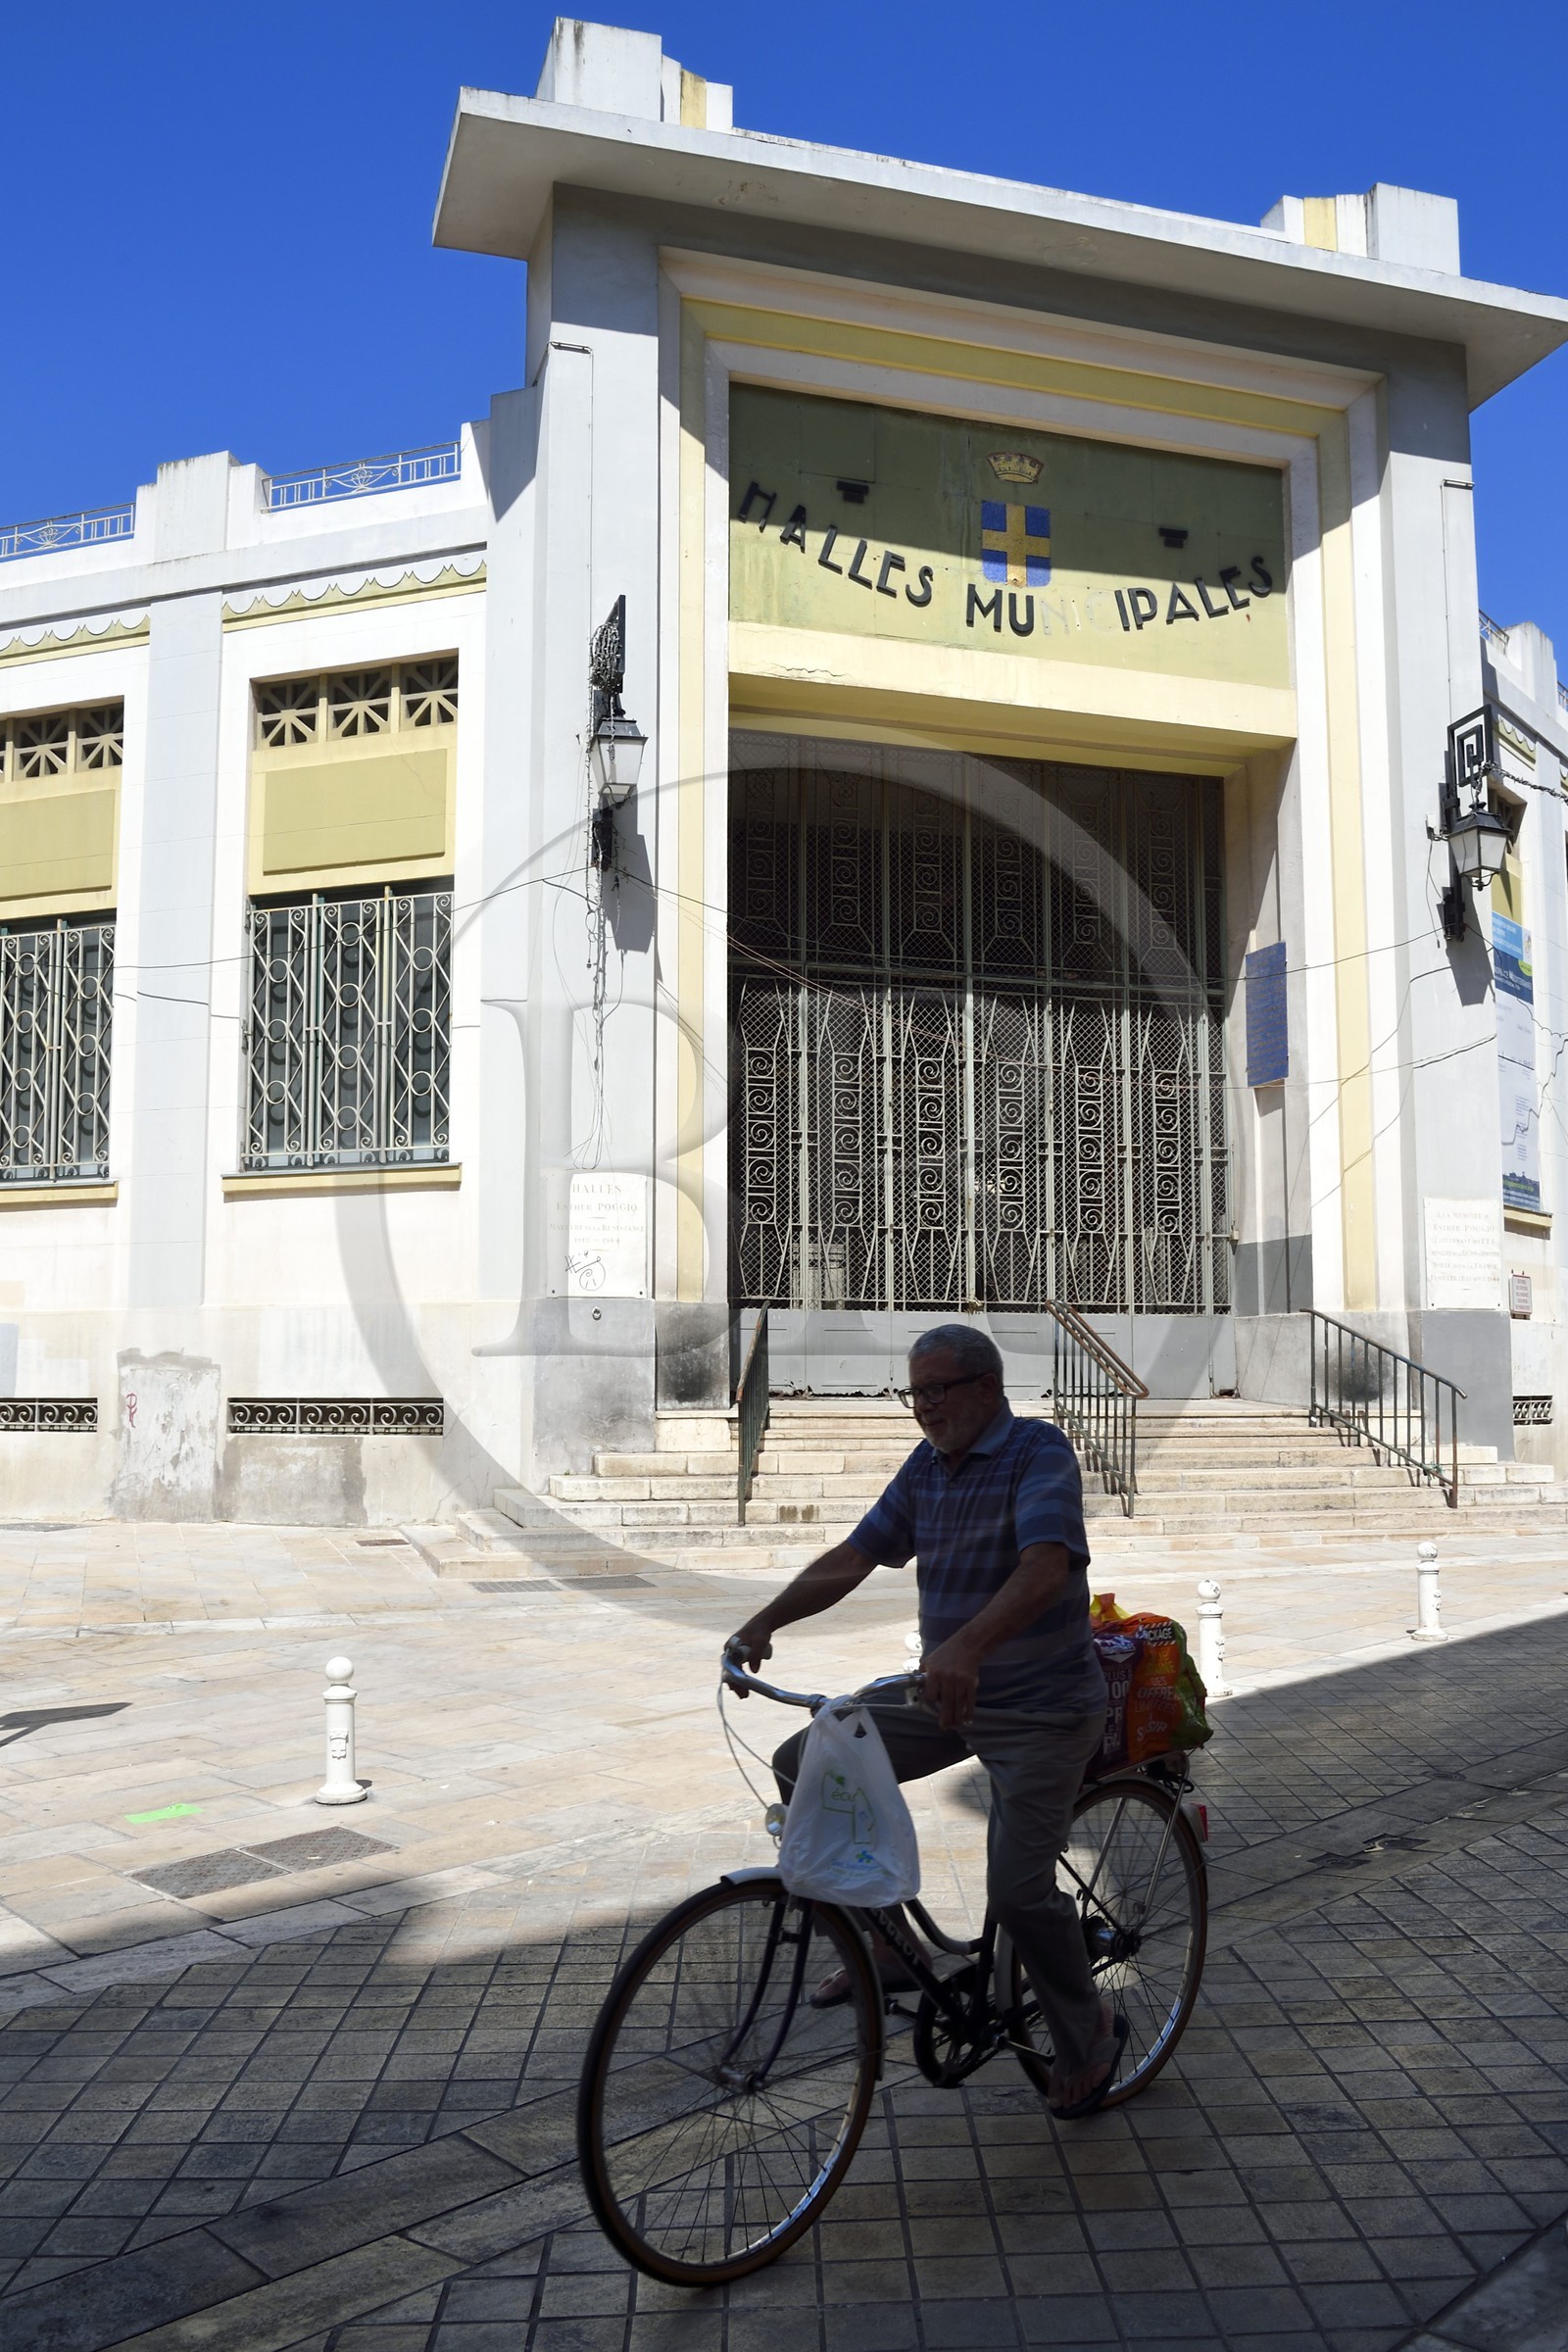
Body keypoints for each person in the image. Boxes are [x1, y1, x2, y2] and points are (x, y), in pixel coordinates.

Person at [729, 1322, 1126, 2118]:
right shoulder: (928, 1468)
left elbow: (1048, 1565)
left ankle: (1091, 2036)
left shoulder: (1037, 1452)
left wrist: (970, 1645)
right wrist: (765, 1622)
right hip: (949, 1694)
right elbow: (855, 1556)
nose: (923, 1408)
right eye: (914, 1392)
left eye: (936, 1390)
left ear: (986, 1387)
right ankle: (893, 1945)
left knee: (1017, 1893)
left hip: (1043, 1709)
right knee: (808, 1759)